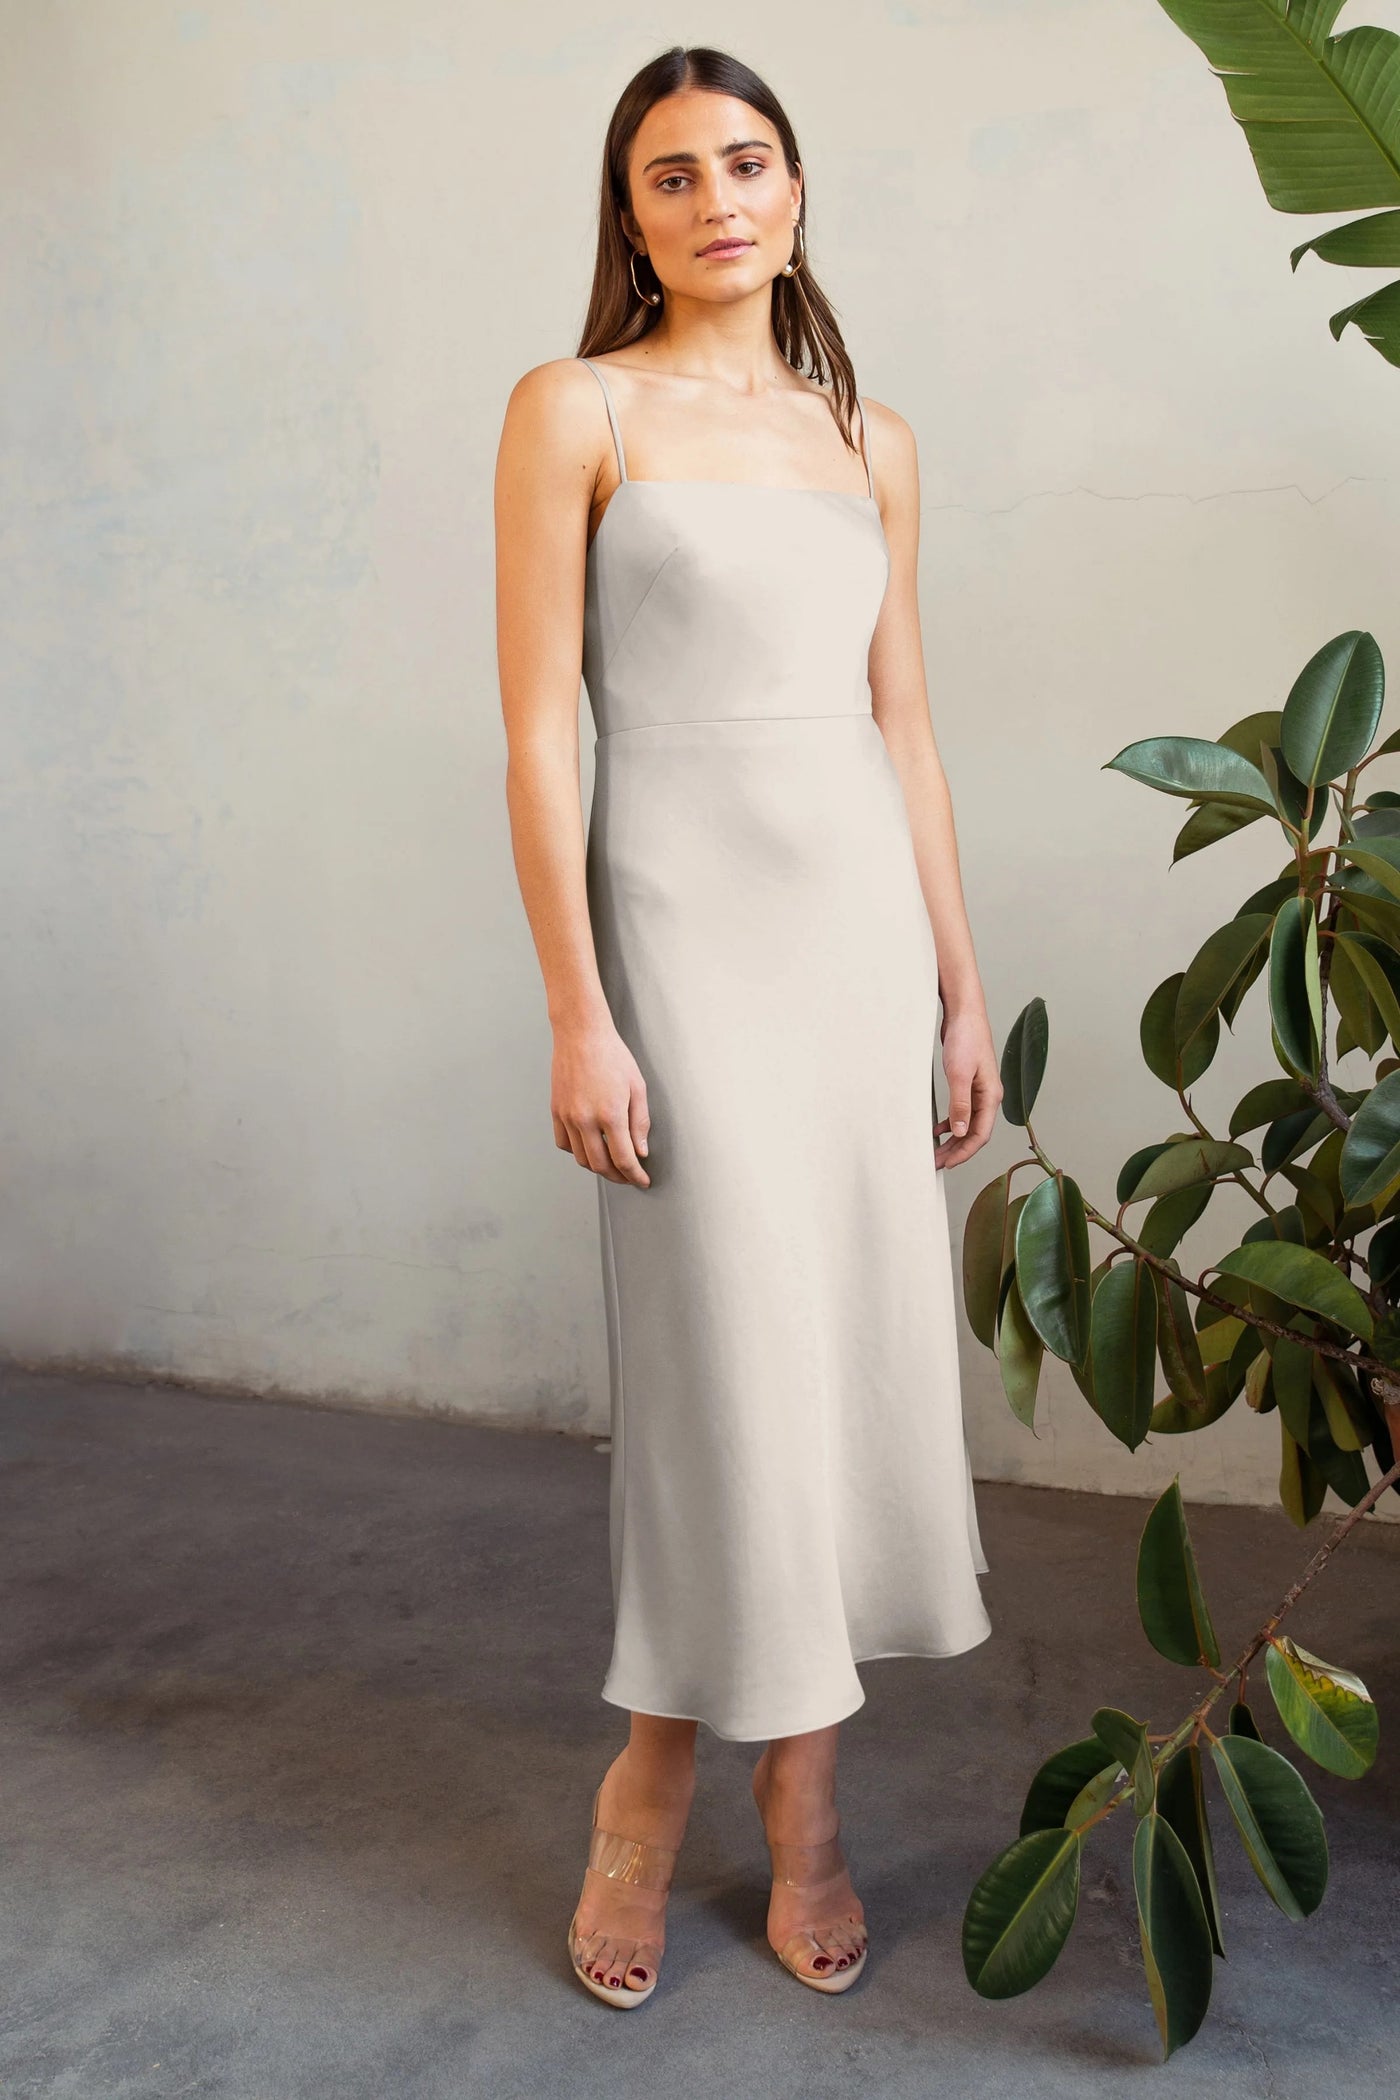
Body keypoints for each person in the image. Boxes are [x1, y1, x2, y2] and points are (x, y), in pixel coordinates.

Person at [495, 44, 1002, 2009]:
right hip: (677, 933)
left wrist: (962, 984)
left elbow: (909, 727)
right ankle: (648, 1779)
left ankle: (806, 1797)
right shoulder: (573, 409)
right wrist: (576, 1007)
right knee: (719, 1373)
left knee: (847, 1357)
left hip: (855, 936)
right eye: (673, 175)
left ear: (796, 189)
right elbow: (544, 725)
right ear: (628, 219)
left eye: (750, 162)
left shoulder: (867, 433)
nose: (719, 198)